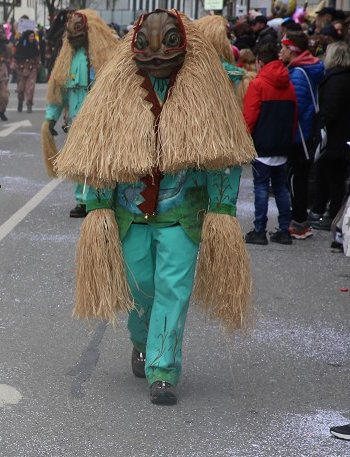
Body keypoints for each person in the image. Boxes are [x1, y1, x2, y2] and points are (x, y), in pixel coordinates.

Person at [55, 10, 255, 406]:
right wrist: (97, 207)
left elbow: (225, 157)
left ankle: (163, 369)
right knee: (139, 285)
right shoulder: (112, 95)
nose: (158, 56)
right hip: (130, 213)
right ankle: (141, 339)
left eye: (168, 45)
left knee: (173, 289)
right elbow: (96, 156)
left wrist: (222, 211)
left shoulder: (211, 93)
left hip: (183, 215)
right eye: (147, 46)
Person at [41, 9, 118, 218]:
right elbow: (59, 94)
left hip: (100, 121)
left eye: (78, 32)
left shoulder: (106, 58)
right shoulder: (67, 60)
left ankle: (103, 197)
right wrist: (50, 119)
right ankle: (83, 200)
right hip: (76, 122)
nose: (73, 38)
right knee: (80, 162)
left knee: (100, 161)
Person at [243, 42, 297, 246]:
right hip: (282, 145)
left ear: (260, 62)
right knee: (281, 188)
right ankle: (284, 230)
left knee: (261, 187)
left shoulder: (258, 84)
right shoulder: (289, 84)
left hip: (262, 144)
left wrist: (244, 141)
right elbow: (294, 117)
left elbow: (249, 117)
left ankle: (259, 230)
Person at [281, 31, 324, 239]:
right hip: (307, 133)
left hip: (299, 135)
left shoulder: (298, 73)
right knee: (300, 176)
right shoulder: (308, 68)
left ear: (292, 50)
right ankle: (300, 220)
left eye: (284, 47)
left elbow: (293, 107)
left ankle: (299, 223)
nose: (281, 51)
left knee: (295, 177)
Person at [309, 41, 350, 232]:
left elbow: (330, 111)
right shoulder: (340, 77)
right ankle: (323, 209)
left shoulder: (336, 80)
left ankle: (331, 212)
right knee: (328, 174)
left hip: (334, 137)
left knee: (332, 176)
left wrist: (320, 121)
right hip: (339, 136)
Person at [14, 29, 39, 114]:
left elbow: (37, 56)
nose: (32, 38)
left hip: (31, 69)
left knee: (30, 88)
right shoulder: (20, 46)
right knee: (21, 88)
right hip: (21, 70)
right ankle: (20, 102)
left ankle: (29, 104)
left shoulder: (35, 46)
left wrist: (36, 64)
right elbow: (16, 57)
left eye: (33, 36)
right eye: (30, 36)